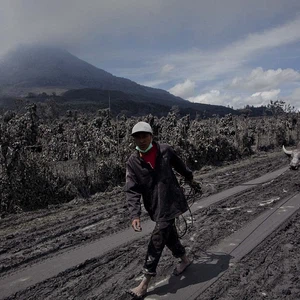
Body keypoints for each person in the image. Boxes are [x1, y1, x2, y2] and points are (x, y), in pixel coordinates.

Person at [125, 121, 193, 299]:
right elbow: (132, 191)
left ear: (151, 136)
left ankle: (144, 283)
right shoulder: (133, 162)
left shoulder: (165, 151)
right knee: (168, 234)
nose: (141, 140)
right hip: (155, 205)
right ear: (134, 139)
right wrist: (135, 215)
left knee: (157, 238)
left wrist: (190, 178)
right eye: (137, 137)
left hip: (172, 201)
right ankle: (185, 259)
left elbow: (181, 167)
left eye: (144, 136)